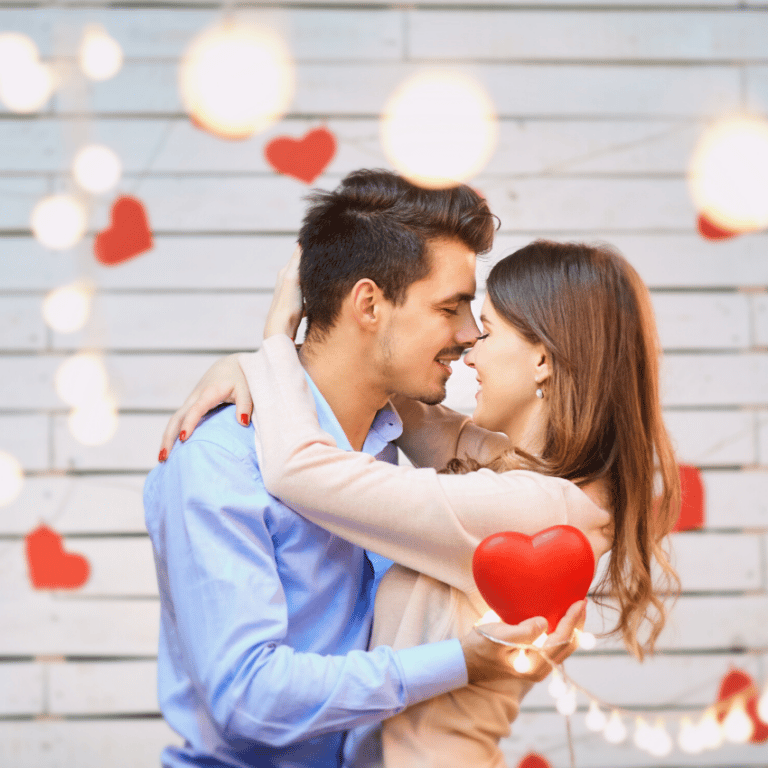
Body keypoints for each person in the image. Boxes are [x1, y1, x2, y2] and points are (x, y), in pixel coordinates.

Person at [161, 236, 680, 767]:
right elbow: (380, 384)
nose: (468, 347)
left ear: (542, 360)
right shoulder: (534, 479)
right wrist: (252, 367)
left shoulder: (535, 508)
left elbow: (300, 470)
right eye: (455, 314)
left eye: (488, 330)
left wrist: (276, 335)